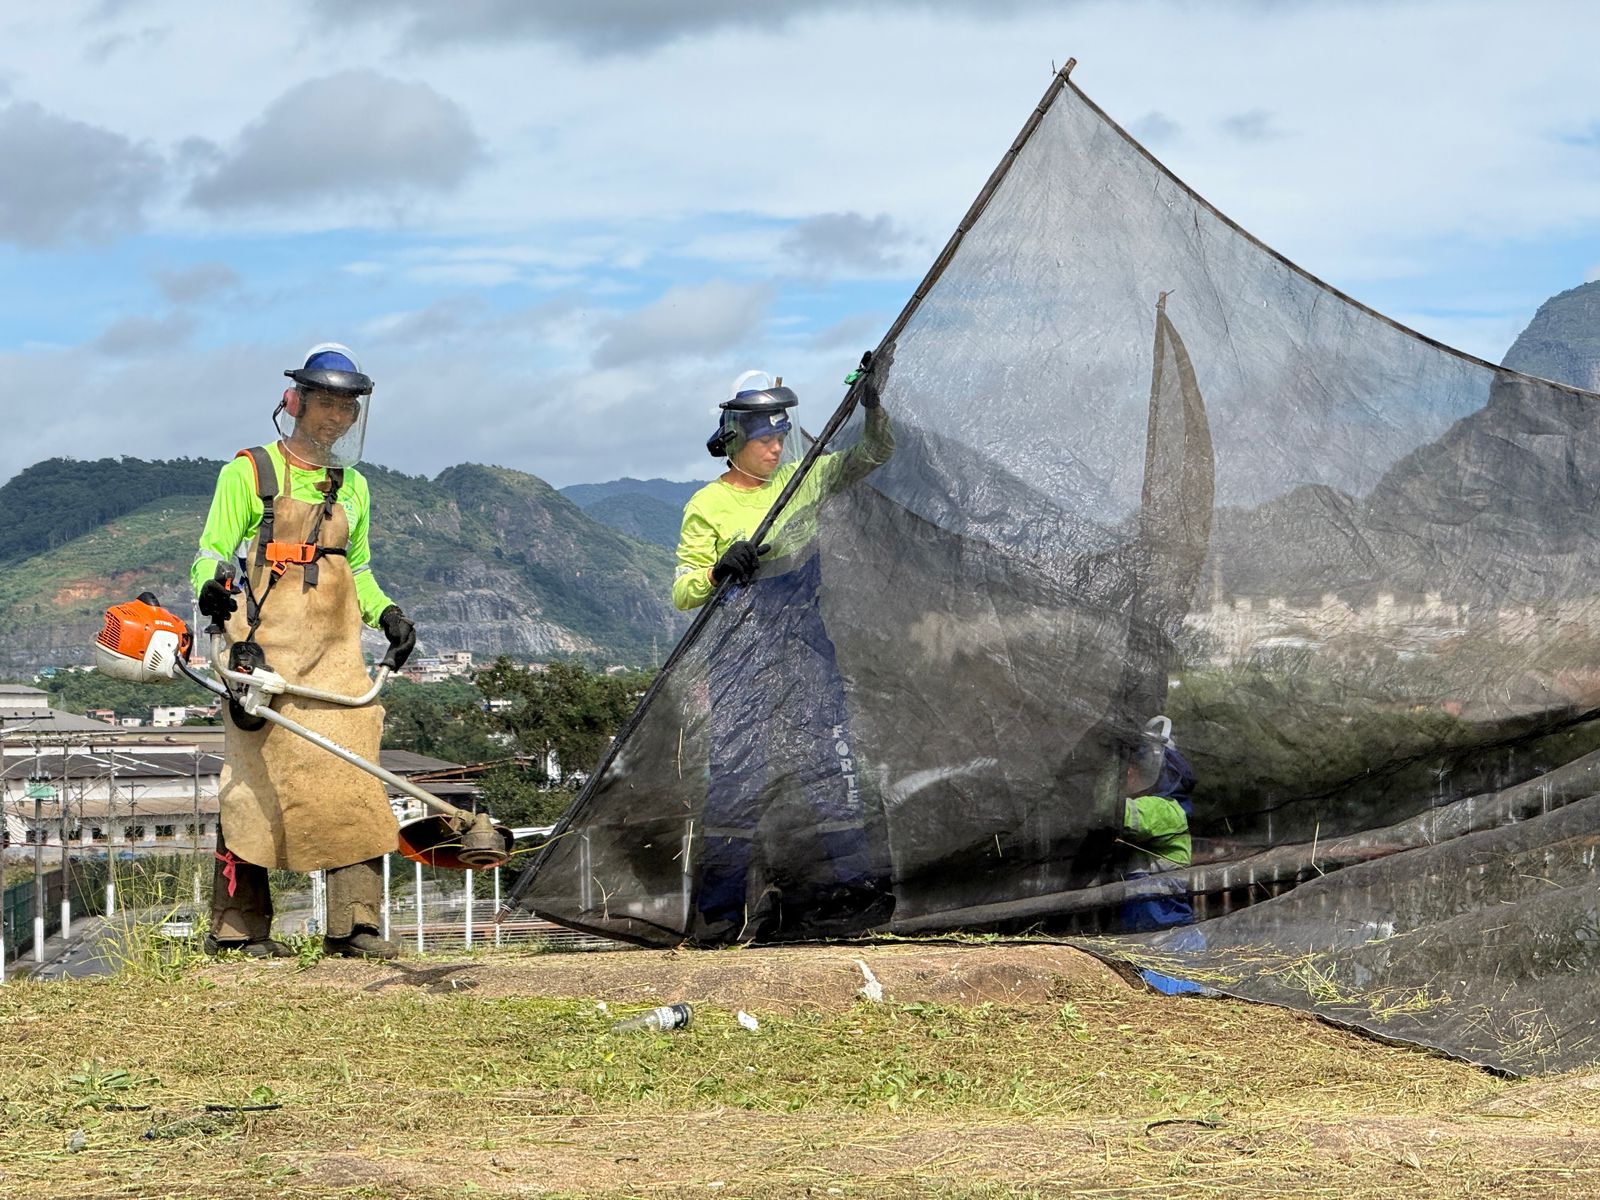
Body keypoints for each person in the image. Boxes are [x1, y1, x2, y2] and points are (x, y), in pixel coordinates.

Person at [191, 343, 417, 960]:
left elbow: (357, 570)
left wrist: (388, 614)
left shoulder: (354, 487)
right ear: (295, 402)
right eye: (325, 404)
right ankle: (239, 929)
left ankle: (356, 925)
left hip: (336, 657)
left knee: (354, 776)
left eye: (346, 408)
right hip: (262, 651)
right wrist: (211, 588)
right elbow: (212, 551)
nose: (335, 418)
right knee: (253, 783)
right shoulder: (250, 472)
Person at [673, 351, 895, 942]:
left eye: (781, 437)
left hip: (806, 647)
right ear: (735, 440)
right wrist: (719, 569)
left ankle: (854, 898)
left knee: (830, 768)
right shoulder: (708, 504)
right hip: (740, 652)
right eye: (765, 439)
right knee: (737, 778)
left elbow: (875, 454)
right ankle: (720, 915)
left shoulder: (805, 479)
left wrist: (872, 407)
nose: (776, 448)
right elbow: (683, 589)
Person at [1119, 715, 1197, 932]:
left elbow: (1118, 815)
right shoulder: (1159, 806)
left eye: (1135, 766)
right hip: (1146, 932)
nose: (1127, 773)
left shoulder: (1166, 810)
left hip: (1170, 934)